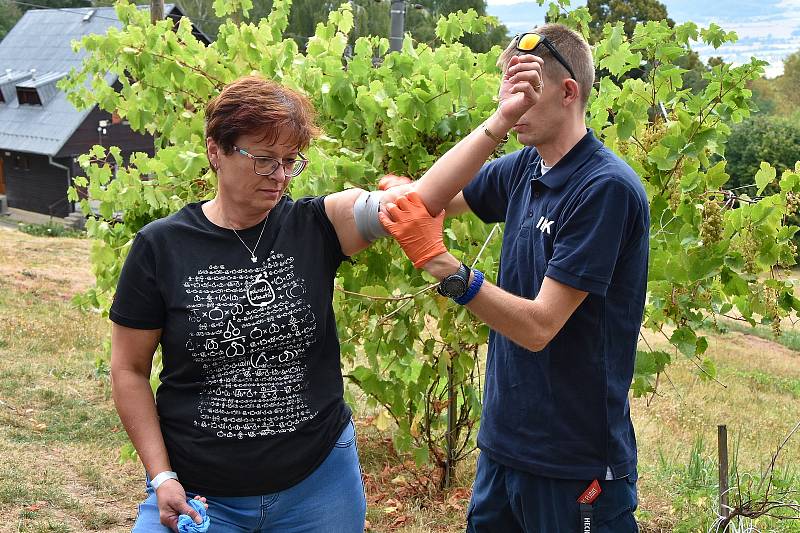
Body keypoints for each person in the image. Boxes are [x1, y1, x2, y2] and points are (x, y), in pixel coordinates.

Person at [109, 75, 417, 532]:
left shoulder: (317, 225)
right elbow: (129, 370)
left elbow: (422, 200)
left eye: (291, 161)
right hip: (201, 495)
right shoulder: (162, 246)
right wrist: (161, 476)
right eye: (265, 159)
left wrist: (499, 122)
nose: (280, 176)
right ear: (216, 151)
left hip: (319, 487)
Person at [378, 23, 649, 532]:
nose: (512, 103)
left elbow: (538, 327)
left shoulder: (604, 188)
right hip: (504, 446)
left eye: (525, 91)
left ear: (569, 92)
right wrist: (494, 124)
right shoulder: (526, 167)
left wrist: (442, 264)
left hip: (574, 461)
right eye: (506, 91)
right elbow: (433, 199)